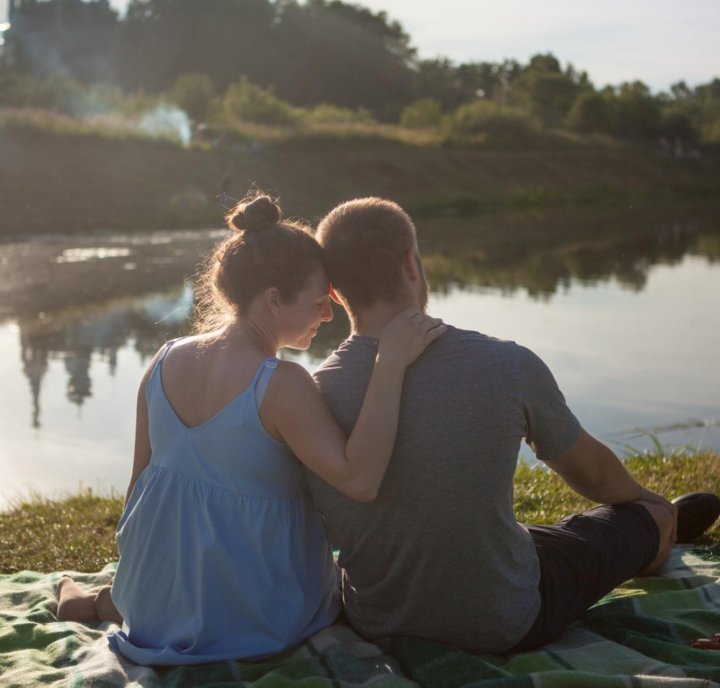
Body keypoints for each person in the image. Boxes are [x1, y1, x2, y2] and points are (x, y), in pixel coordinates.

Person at [304, 196, 720, 655]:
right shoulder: (506, 364)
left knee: (531, 537)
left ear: (336, 292)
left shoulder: (308, 396)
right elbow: (595, 477)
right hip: (505, 621)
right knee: (643, 515)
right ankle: (665, 527)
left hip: (377, 621)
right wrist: (646, 501)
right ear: (411, 263)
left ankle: (650, 527)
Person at [56, 193, 445, 665]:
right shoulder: (280, 384)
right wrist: (391, 361)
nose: (328, 316)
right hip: (257, 619)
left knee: (154, 567)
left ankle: (97, 601)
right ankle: (105, 600)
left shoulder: (163, 359)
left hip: (153, 605)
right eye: (320, 302)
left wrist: (143, 583)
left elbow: (139, 490)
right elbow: (360, 482)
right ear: (273, 300)